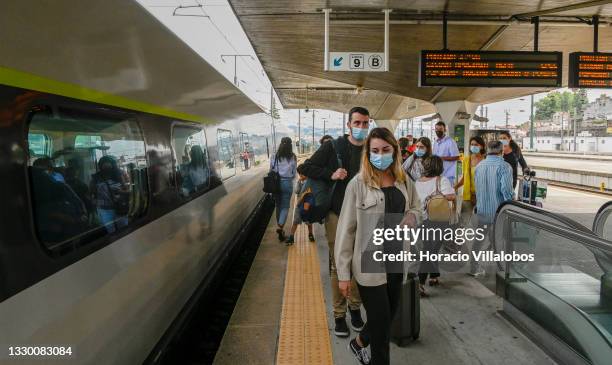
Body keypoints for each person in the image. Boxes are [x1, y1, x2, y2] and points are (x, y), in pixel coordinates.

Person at [335, 127, 421, 365]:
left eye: (385, 149)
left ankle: (360, 341)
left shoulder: (404, 180)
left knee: (389, 314)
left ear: (394, 151)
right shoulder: (357, 184)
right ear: (368, 153)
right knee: (382, 325)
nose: (380, 154)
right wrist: (343, 275)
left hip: (396, 260)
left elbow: (416, 207)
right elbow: (345, 231)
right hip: (370, 262)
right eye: (374, 150)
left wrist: (413, 216)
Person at [300, 106, 370, 337]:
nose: (361, 127)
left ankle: (355, 308)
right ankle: (339, 314)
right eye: (357, 123)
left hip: (364, 214)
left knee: (359, 264)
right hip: (337, 214)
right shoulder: (333, 147)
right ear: (348, 124)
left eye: (365, 123)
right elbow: (305, 167)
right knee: (338, 264)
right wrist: (331, 174)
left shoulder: (372, 149)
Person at [414, 156, 455, 294]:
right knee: (430, 251)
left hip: (421, 221)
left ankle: (434, 275)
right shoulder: (441, 180)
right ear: (439, 167)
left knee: (430, 249)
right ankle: (419, 282)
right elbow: (451, 196)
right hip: (437, 221)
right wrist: (438, 195)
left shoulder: (417, 182)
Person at [473, 140, 514, 276]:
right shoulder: (504, 166)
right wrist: (512, 202)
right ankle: (503, 268)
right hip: (498, 212)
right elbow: (506, 190)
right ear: (501, 151)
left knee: (479, 241)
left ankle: (473, 267)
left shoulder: (479, 166)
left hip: (482, 210)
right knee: (500, 240)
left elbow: (477, 188)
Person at [90, 155, 130, 233]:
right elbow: (91, 193)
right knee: (110, 232)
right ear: (100, 166)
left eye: (108, 165)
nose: (106, 168)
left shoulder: (120, 174)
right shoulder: (96, 178)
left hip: (120, 207)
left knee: (124, 230)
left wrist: (121, 192)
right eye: (103, 165)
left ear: (113, 165)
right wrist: (95, 203)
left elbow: (129, 190)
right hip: (104, 210)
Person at [454, 136, 486, 225]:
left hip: (482, 196)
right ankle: (458, 238)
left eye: (476, 144)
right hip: (468, 195)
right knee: (463, 220)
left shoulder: (486, 160)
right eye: (472, 144)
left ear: (482, 146)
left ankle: (479, 237)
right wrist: (455, 187)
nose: (473, 146)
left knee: (480, 221)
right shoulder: (466, 160)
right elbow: (464, 178)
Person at [270, 137, 297, 241]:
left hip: (276, 184)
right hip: (287, 183)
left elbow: (271, 169)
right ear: (290, 145)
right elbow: (294, 173)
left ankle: (279, 227)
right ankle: (280, 227)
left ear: (280, 144)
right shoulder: (293, 157)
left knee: (278, 205)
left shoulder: (274, 156)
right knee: (285, 207)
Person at [285, 165, 315, 246]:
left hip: (307, 204)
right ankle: (291, 237)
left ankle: (310, 234)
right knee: (295, 221)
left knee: (309, 221)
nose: (301, 175)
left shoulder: (310, 182)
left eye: (302, 174)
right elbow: (297, 191)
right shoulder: (300, 181)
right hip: (299, 204)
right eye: (300, 174)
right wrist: (299, 182)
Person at [432, 121, 460, 185]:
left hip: (447, 175)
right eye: (436, 129)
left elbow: (457, 157)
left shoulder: (450, 141)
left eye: (440, 129)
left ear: (445, 130)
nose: (438, 131)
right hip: (437, 174)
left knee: (447, 194)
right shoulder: (435, 142)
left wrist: (441, 158)